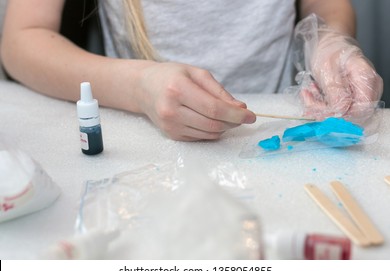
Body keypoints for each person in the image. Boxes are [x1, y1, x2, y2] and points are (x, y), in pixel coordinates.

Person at [0, 0, 383, 141]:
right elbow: (22, 40)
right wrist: (138, 86)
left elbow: (328, 7)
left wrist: (330, 42)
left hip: (281, 123)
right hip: (144, 141)